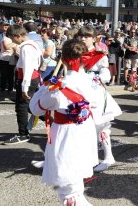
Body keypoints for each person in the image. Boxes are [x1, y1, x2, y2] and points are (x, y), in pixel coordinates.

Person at [29, 39, 98, 205]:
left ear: (63, 59)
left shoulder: (57, 88)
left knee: (67, 186)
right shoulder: (93, 82)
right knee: (76, 176)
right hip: (85, 130)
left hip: (65, 134)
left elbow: (35, 109)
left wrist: (45, 87)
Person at [78, 26, 121, 172]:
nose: (83, 39)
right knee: (84, 126)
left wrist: (95, 78)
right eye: (81, 36)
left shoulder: (100, 55)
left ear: (93, 38)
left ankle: (108, 157)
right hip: (81, 93)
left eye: (86, 36)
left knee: (101, 126)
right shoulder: (78, 54)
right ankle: (89, 157)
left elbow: (106, 74)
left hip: (95, 93)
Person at [3, 24, 42, 145]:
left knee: (21, 107)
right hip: (31, 78)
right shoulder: (32, 43)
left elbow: (28, 67)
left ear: (18, 36)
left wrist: (25, 87)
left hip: (28, 78)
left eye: (13, 38)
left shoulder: (26, 48)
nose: (13, 41)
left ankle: (23, 134)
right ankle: (50, 121)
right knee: (28, 105)